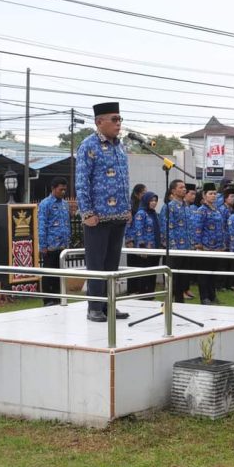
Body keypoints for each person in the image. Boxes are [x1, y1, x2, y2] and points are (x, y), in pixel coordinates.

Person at [76, 101, 130, 323]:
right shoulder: (88, 145)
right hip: (97, 217)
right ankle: (94, 308)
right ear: (99, 122)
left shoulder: (120, 146)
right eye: (114, 120)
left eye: (120, 120)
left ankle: (109, 306)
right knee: (96, 265)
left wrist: (127, 208)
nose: (118, 124)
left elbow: (124, 180)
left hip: (119, 216)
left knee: (112, 266)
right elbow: (81, 181)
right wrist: (87, 212)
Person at [38, 177, 71, 306]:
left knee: (60, 273)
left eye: (65, 190)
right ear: (53, 188)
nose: (63, 192)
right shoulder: (45, 204)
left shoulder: (65, 204)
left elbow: (67, 224)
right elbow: (42, 225)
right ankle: (47, 300)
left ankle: (58, 297)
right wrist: (43, 245)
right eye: (60, 189)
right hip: (50, 246)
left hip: (62, 247)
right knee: (48, 273)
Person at [160, 179, 192, 303]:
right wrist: (172, 246)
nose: (184, 189)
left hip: (186, 248)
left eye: (184, 187)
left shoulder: (186, 206)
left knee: (183, 276)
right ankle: (169, 301)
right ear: (173, 191)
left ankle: (180, 300)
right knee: (173, 276)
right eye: (181, 187)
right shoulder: (169, 207)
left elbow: (189, 226)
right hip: (175, 248)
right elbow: (167, 228)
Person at [193, 183, 225, 304]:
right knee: (204, 273)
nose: (213, 196)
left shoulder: (216, 210)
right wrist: (198, 244)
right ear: (204, 195)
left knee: (213, 272)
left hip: (216, 247)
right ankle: (204, 297)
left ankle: (213, 296)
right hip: (205, 247)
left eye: (214, 193)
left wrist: (222, 244)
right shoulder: (201, 210)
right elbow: (197, 228)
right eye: (210, 194)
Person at [130, 191, 161, 297]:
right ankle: (144, 294)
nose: (154, 203)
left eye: (155, 201)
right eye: (151, 200)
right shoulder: (141, 213)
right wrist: (142, 247)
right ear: (146, 201)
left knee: (153, 271)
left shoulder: (154, 214)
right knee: (145, 272)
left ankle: (151, 293)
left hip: (155, 248)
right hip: (146, 248)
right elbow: (138, 230)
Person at [125, 183, 147, 295]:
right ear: (137, 193)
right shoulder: (131, 205)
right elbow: (127, 224)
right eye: (143, 193)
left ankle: (140, 288)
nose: (144, 195)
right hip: (132, 239)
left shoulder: (142, 205)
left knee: (140, 264)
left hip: (141, 239)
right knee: (133, 264)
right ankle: (132, 289)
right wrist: (129, 240)